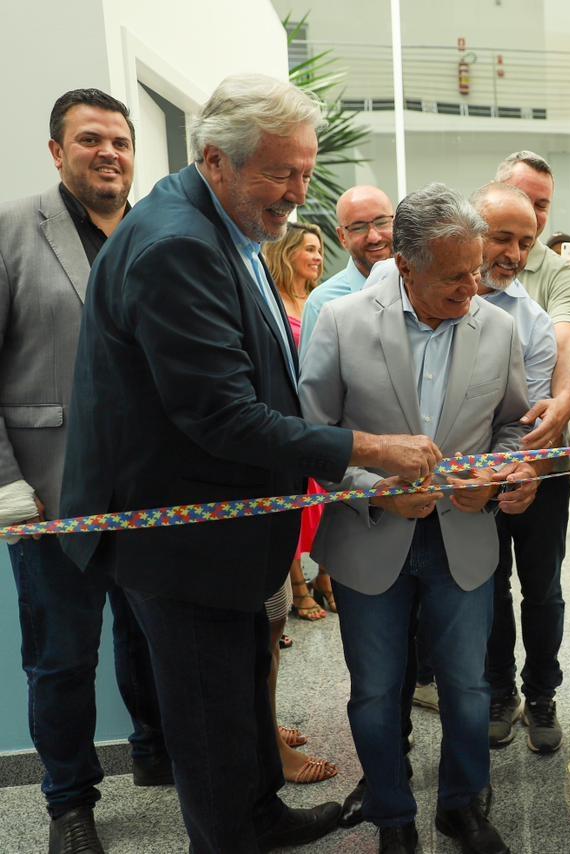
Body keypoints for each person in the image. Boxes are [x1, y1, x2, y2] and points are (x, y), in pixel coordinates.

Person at [58, 73, 443, 853]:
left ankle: (260, 816)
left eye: (305, 173)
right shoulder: (177, 247)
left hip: (227, 542)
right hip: (186, 547)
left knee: (240, 702)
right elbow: (221, 416)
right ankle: (234, 835)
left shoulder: (218, 226)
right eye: (280, 173)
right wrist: (371, 451)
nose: (297, 195)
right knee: (211, 726)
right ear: (217, 159)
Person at [300, 183, 536, 854]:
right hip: (370, 542)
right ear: (405, 265)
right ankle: (393, 817)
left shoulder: (497, 325)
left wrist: (496, 477)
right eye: (455, 275)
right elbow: (311, 436)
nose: (472, 288)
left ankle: (461, 805)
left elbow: (514, 428)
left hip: (463, 539)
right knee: (375, 693)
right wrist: (375, 489)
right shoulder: (344, 322)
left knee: (467, 688)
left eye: (476, 270)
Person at [0, 87, 169, 854]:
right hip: (48, 494)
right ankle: (69, 804)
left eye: (121, 141)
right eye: (90, 139)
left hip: (153, 495)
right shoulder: (12, 231)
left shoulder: (157, 235)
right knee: (62, 659)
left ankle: (159, 756)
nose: (109, 152)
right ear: (57, 150)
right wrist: (7, 485)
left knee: (155, 639)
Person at [475, 151, 570, 753]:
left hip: (541, 456)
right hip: (472, 468)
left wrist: (559, 412)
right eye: (515, 214)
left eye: (541, 208)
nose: (526, 233)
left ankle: (541, 693)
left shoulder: (549, 284)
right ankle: (498, 692)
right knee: (486, 583)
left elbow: (567, 346)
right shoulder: (455, 280)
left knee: (541, 586)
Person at [264, 222, 330, 623]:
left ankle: (326, 577)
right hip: (288, 416)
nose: (317, 257)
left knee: (330, 502)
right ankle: (299, 588)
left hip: (322, 415)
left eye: (320, 249)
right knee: (294, 502)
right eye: (309, 248)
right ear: (287, 253)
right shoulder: (273, 301)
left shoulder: (321, 302)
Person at [299, 184, 395, 354]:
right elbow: (314, 379)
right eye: (359, 227)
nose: (374, 237)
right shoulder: (321, 304)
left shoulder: (420, 288)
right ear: (342, 237)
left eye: (381, 222)